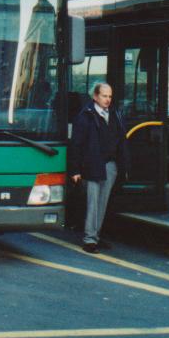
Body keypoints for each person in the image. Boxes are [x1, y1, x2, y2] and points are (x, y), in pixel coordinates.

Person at [68, 82, 129, 254]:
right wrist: (75, 170)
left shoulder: (115, 114)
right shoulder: (85, 116)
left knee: (102, 203)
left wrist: (122, 165)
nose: (108, 99)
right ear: (95, 97)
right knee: (93, 203)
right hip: (92, 165)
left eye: (110, 96)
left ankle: (95, 236)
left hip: (110, 165)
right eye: (104, 96)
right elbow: (76, 145)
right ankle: (89, 240)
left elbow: (121, 141)